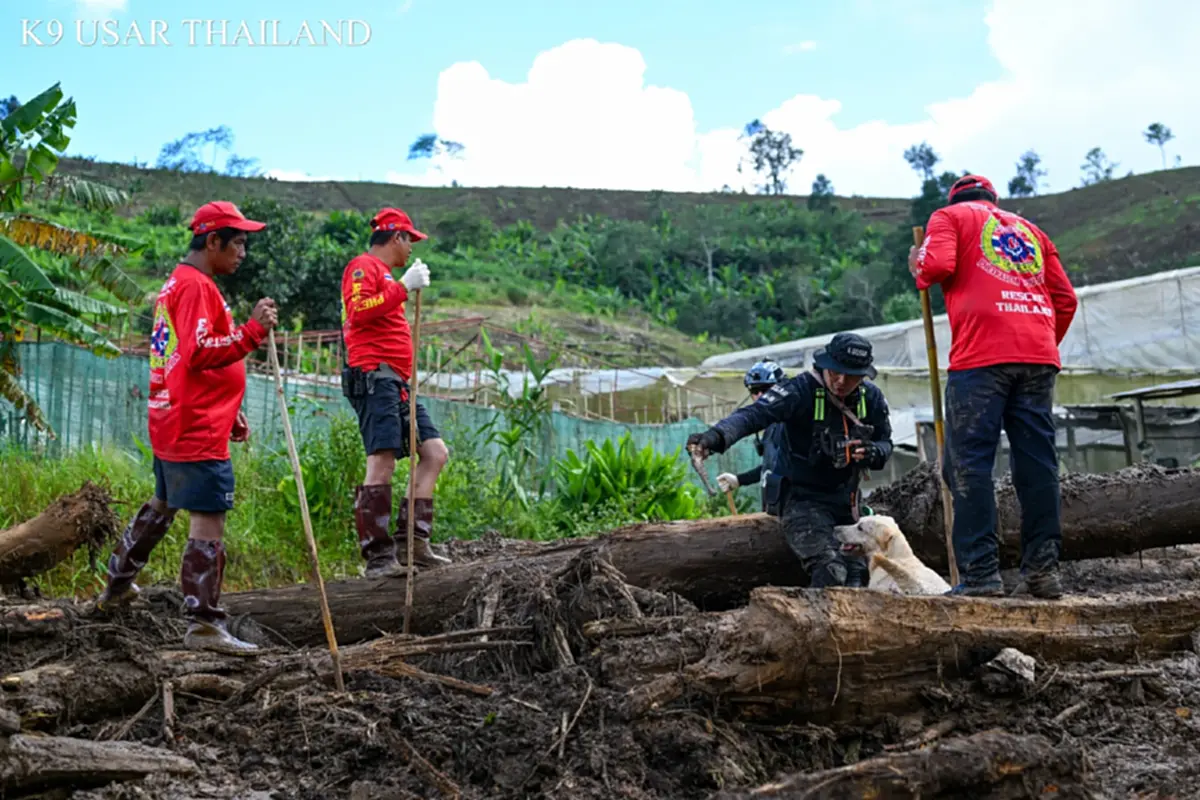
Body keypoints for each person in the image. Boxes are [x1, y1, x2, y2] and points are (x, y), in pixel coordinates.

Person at [96, 201, 278, 655]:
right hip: (194, 426)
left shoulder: (181, 284)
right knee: (209, 515)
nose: (243, 251)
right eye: (236, 242)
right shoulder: (196, 286)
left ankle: (117, 584)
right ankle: (203, 624)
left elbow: (183, 358)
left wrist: (227, 405)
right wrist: (253, 331)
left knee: (162, 503)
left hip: (178, 415)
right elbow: (199, 351)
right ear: (211, 241)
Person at [909, 174, 1078, 598]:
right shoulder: (1031, 230)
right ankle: (1042, 572)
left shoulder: (947, 217)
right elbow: (1066, 300)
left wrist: (916, 261)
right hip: (1038, 357)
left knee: (966, 465)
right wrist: (1038, 342)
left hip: (981, 358)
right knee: (1037, 464)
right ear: (994, 200)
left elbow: (936, 266)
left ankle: (982, 576)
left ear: (957, 199)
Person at [688, 333, 893, 588]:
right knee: (831, 570)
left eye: (851, 376)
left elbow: (886, 443)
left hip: (846, 501)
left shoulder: (870, 398)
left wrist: (874, 452)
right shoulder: (798, 390)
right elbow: (753, 415)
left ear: (863, 375)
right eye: (835, 373)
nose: (841, 381)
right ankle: (816, 624)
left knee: (859, 574)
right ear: (824, 365)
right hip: (801, 499)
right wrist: (714, 438)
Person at [340, 207, 451, 578]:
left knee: (434, 453)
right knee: (382, 460)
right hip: (375, 378)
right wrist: (404, 286)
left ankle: (413, 543)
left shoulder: (386, 275)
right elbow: (358, 312)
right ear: (396, 237)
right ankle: (378, 557)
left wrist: (401, 285)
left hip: (399, 383)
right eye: (409, 240)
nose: (411, 249)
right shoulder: (363, 267)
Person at [716, 360, 789, 515]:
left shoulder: (791, 425)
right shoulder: (771, 426)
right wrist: (738, 480)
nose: (760, 395)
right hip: (771, 509)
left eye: (766, 389)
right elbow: (769, 468)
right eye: (755, 391)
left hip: (792, 512)